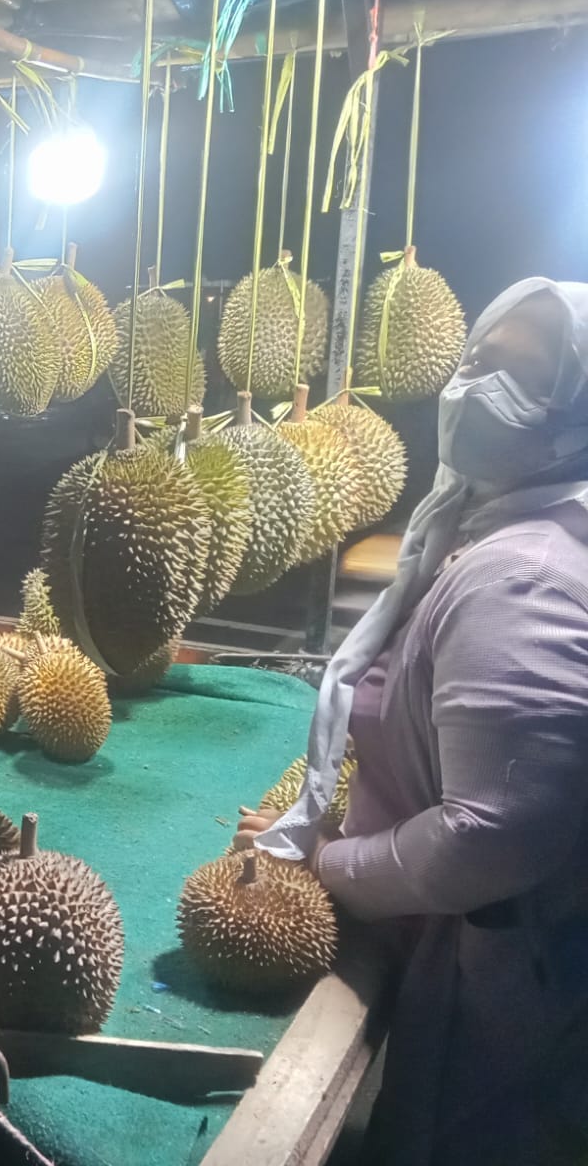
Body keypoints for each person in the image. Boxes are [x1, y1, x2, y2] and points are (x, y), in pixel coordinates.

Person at [236, 279, 588, 1166]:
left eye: (518, 373)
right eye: (476, 359)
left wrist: (329, 862)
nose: (471, 386)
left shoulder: (529, 577)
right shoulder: (511, 523)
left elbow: (487, 838)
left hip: (513, 979)